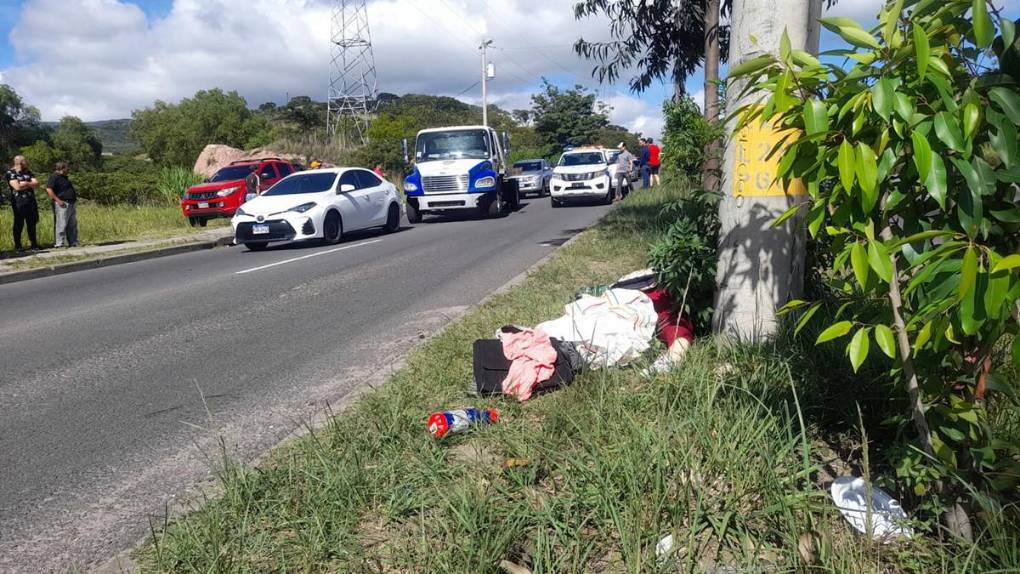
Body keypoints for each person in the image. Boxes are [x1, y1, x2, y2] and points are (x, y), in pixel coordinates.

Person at [6, 155, 41, 251]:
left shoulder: (28, 172)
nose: (27, 163)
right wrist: (29, 183)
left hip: (30, 201)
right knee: (19, 224)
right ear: (19, 162)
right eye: (25, 161)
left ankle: (34, 245)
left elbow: (37, 184)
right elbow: (16, 187)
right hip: (19, 202)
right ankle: (18, 246)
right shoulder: (11, 172)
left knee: (31, 223)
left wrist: (24, 183)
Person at [46, 161, 79, 247]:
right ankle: (59, 243)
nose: (68, 170)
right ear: (61, 168)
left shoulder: (64, 177)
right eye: (67, 168)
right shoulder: (54, 177)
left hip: (71, 203)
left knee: (72, 224)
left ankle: (73, 242)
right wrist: (58, 200)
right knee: (61, 224)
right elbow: (49, 190)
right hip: (62, 203)